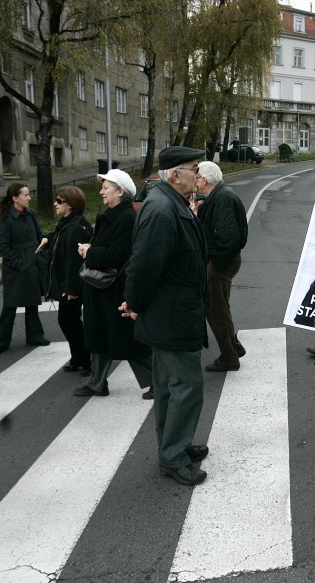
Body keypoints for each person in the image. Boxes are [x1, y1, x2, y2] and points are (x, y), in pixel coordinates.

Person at [121, 146, 209, 486]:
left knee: (170, 387)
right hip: (169, 315)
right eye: (193, 168)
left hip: (173, 312)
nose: (198, 175)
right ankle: (173, 457)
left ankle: (177, 445)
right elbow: (144, 264)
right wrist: (134, 302)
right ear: (175, 175)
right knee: (186, 386)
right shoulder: (162, 209)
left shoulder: (170, 203)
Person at [75, 170, 153, 399]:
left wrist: (90, 251)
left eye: (106, 187)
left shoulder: (126, 218)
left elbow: (118, 254)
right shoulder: (115, 214)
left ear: (120, 191)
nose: (101, 191)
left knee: (125, 341)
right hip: (104, 288)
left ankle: (158, 381)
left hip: (114, 289)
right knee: (102, 336)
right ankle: (97, 382)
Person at [196, 161, 248, 372]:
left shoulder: (223, 198)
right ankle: (234, 347)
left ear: (205, 180)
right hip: (220, 261)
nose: (196, 180)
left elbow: (229, 238)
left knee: (217, 310)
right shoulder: (217, 197)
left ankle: (229, 357)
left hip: (221, 263)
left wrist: (214, 263)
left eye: (197, 176)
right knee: (215, 307)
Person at [0, 183, 49, 353]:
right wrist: (18, 264)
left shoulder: (30, 214)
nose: (29, 197)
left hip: (32, 263)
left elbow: (39, 235)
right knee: (10, 306)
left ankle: (35, 336)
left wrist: (44, 241)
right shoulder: (5, 218)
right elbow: (3, 247)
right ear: (15, 199)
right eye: (25, 195)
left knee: (32, 303)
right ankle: (1, 342)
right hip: (15, 268)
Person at [42, 185, 92, 374]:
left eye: (59, 201)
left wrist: (71, 289)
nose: (55, 204)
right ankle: (78, 357)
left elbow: (74, 261)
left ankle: (85, 360)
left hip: (73, 286)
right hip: (68, 284)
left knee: (70, 322)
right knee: (69, 321)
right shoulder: (67, 224)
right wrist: (48, 238)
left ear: (70, 205)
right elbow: (58, 237)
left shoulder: (75, 228)